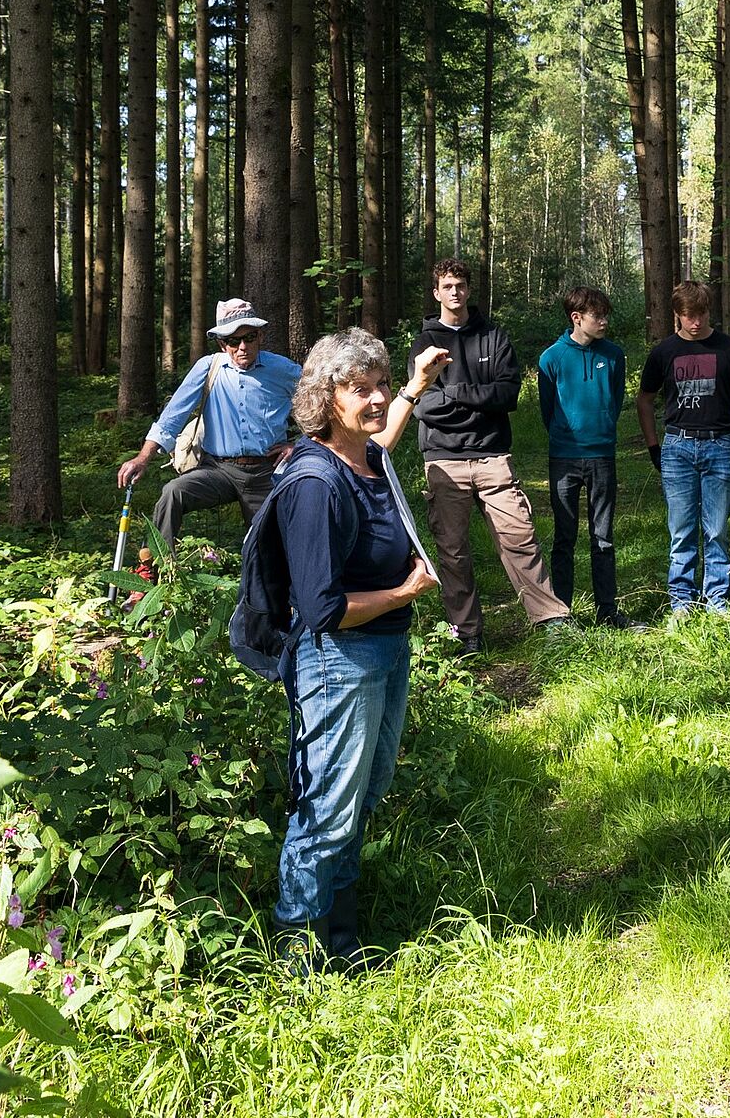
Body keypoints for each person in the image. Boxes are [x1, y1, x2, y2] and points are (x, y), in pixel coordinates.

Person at [264, 329, 443, 966]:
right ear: (326, 398)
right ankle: (294, 955)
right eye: (357, 389)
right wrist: (403, 592)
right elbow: (321, 609)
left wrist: (416, 386)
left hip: (385, 652)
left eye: (380, 386)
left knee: (363, 795)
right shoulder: (316, 482)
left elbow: (389, 428)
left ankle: (339, 943)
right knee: (328, 812)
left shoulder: (368, 458)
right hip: (339, 661)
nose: (374, 399)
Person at [408, 259, 569, 655]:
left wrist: (453, 392)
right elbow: (422, 405)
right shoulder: (424, 341)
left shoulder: (493, 336)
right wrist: (474, 396)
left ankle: (551, 621)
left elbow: (506, 394)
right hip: (443, 460)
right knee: (453, 552)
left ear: (468, 290)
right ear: (436, 293)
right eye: (447, 286)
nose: (455, 293)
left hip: (492, 456)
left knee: (521, 539)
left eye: (460, 285)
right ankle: (467, 634)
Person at [117, 298, 302, 545]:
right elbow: (173, 415)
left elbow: (322, 405)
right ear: (222, 343)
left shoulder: (283, 370)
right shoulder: (208, 367)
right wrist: (143, 458)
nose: (242, 347)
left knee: (269, 545)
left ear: (261, 336)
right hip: (218, 470)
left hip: (266, 472)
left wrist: (300, 444)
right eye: (233, 341)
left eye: (249, 337)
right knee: (173, 493)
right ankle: (156, 569)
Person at [638, 279, 730, 615]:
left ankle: (716, 600)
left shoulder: (729, 349)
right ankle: (681, 601)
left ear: (710, 311)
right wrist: (653, 446)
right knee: (681, 530)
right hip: (677, 446)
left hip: (720, 445)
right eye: (689, 315)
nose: (696, 322)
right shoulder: (664, 352)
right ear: (677, 314)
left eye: (702, 314)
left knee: (717, 529)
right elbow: (645, 400)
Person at [538, 285, 629, 626]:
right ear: (577, 318)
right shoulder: (551, 358)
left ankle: (607, 610)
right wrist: (567, 432)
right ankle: (562, 612)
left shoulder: (614, 355)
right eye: (598, 316)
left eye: (606, 315)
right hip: (564, 458)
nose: (604, 321)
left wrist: (602, 428)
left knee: (603, 537)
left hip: (602, 455)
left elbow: (616, 400)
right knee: (564, 537)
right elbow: (548, 409)